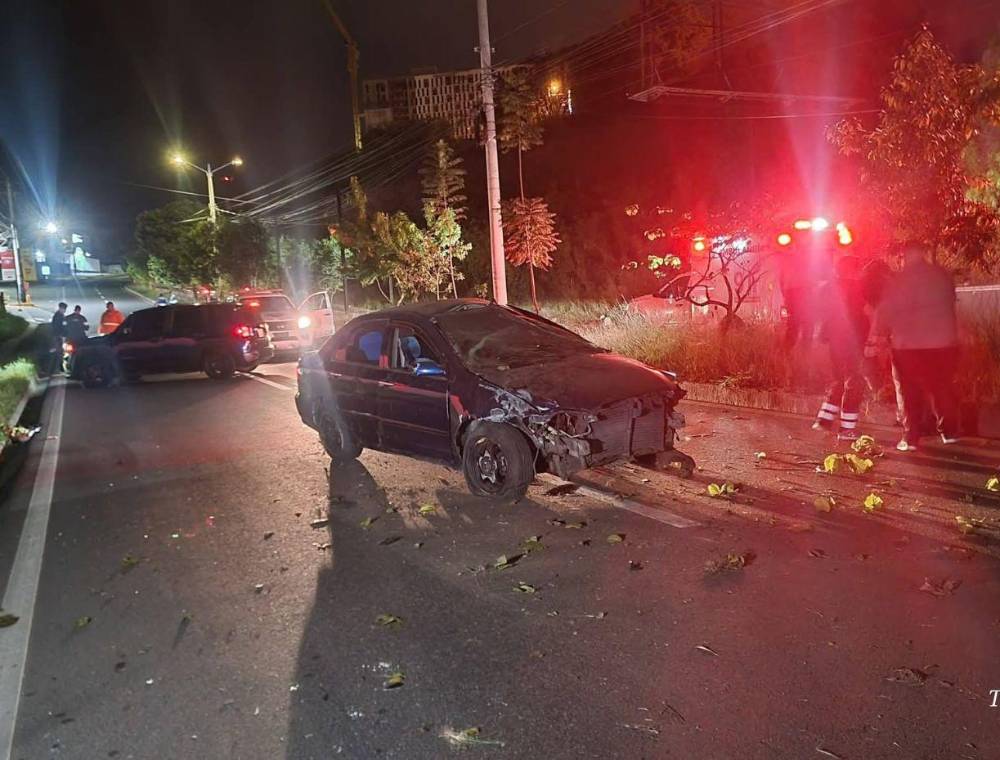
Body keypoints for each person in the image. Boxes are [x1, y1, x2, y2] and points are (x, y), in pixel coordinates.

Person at [872, 242, 961, 452]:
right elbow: (950, 303)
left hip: (908, 346)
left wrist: (877, 336)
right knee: (941, 387)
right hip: (943, 343)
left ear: (904, 256)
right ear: (924, 254)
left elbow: (885, 310)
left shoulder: (899, 281)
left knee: (909, 391)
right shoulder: (942, 276)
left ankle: (911, 437)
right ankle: (949, 432)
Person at [812, 255, 869, 440]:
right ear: (853, 270)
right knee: (854, 381)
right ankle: (847, 429)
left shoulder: (827, 288)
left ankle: (824, 420)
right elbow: (862, 313)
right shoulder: (856, 288)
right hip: (852, 340)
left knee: (838, 379)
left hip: (834, 340)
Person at [49, 302, 68, 375]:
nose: (64, 310)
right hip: (57, 337)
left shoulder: (61, 315)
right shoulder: (58, 316)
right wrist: (61, 335)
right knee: (58, 352)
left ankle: (58, 368)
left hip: (59, 337)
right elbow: (57, 327)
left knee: (59, 352)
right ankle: (57, 368)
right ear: (60, 308)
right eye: (64, 309)